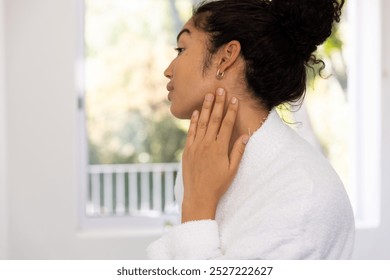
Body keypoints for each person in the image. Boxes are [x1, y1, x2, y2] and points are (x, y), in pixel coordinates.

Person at [147, 0, 355, 259]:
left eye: (181, 49)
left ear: (226, 57)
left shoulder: (302, 194)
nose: (168, 70)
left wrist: (198, 207)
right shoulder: (202, 162)